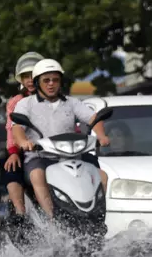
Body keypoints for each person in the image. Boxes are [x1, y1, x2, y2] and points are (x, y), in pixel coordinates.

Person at [11, 59, 109, 218]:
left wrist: (102, 136)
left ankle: (97, 218)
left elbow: (93, 118)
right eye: (46, 80)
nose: (51, 84)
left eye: (55, 80)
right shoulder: (25, 104)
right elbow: (17, 128)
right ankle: (53, 221)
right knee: (36, 175)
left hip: (72, 155)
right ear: (37, 83)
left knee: (102, 176)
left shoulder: (72, 102)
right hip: (41, 156)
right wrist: (23, 142)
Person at [2, 51, 43, 216]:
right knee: (11, 171)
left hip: (56, 150)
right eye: (25, 76)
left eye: (33, 75)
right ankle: (20, 216)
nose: (29, 80)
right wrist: (13, 153)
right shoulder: (16, 102)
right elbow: (11, 130)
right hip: (28, 151)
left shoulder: (55, 98)